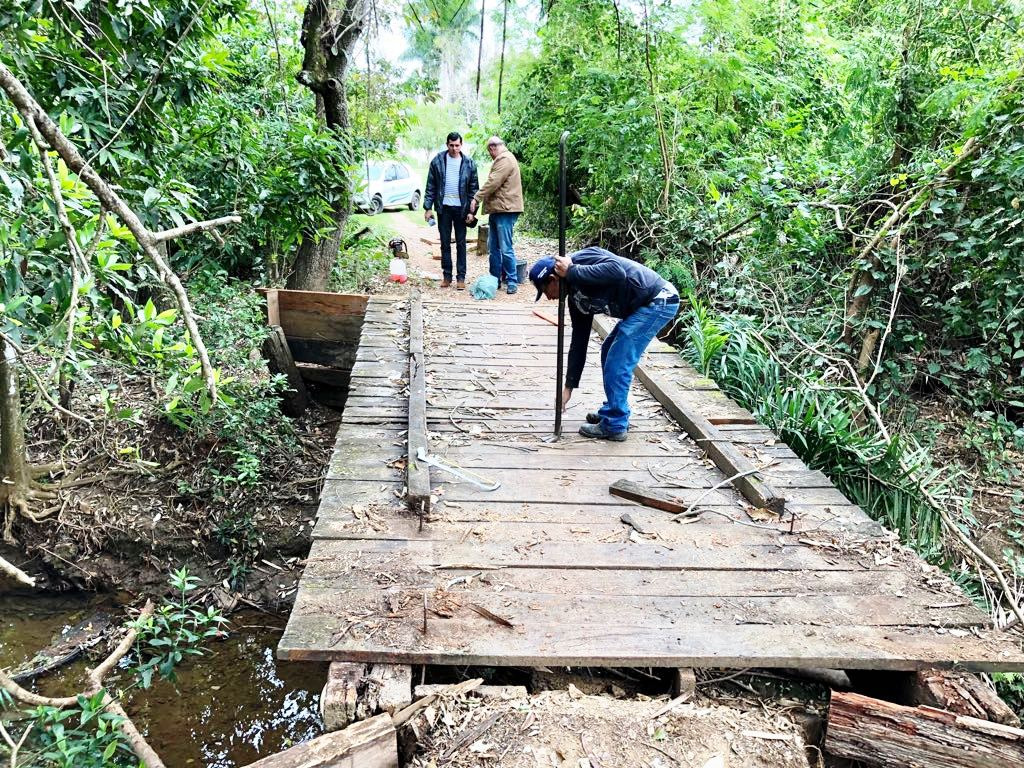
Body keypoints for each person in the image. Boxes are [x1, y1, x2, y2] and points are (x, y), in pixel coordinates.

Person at [529, 246, 679, 441]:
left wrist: (572, 271)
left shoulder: (583, 258)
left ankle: (615, 423)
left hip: (658, 300)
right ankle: (613, 409)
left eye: (545, 291)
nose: (548, 297)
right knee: (609, 351)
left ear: (553, 279)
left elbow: (617, 271)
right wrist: (567, 389)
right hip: (641, 305)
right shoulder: (576, 298)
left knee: (618, 360)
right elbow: (579, 341)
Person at [423, 132, 479, 290]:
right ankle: (447, 276)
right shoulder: (437, 161)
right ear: (447, 145)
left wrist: (471, 212)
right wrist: (428, 208)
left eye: (457, 145)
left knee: (461, 244)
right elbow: (430, 186)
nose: (454, 148)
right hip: (444, 208)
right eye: (451, 145)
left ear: (461, 145)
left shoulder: (469, 163)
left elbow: (474, 190)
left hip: (461, 209)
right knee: (445, 243)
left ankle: (461, 277)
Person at [470, 137, 523, 295]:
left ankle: (512, 281)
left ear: (492, 148)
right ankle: (495, 279)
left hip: (505, 210)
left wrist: (476, 198)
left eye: (489, 152)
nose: (491, 155)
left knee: (505, 248)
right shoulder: (504, 158)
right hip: (498, 209)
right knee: (493, 248)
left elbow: (493, 182)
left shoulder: (505, 159)